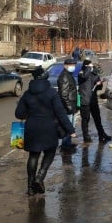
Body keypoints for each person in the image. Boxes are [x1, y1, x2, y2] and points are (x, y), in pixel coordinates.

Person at [15, 66, 76, 195]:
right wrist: (70, 129)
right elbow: (61, 114)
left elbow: (19, 113)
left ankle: (30, 187)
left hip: (32, 128)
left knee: (33, 155)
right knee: (50, 152)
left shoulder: (27, 93)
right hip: (49, 128)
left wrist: (29, 112)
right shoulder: (51, 93)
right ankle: (40, 177)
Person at [78, 60, 111, 143]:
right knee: (85, 119)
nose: (92, 67)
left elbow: (99, 88)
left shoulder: (94, 75)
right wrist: (88, 68)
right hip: (85, 100)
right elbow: (84, 77)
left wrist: (99, 84)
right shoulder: (81, 73)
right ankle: (86, 136)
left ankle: (102, 134)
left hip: (93, 100)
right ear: (86, 66)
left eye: (92, 66)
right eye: (90, 66)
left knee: (97, 118)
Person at [57, 58, 78, 149]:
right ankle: (65, 144)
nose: (72, 67)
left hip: (71, 105)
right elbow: (63, 94)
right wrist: (69, 107)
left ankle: (67, 143)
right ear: (65, 65)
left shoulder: (68, 75)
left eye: (73, 65)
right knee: (67, 125)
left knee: (70, 125)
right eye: (71, 65)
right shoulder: (64, 76)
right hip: (67, 106)